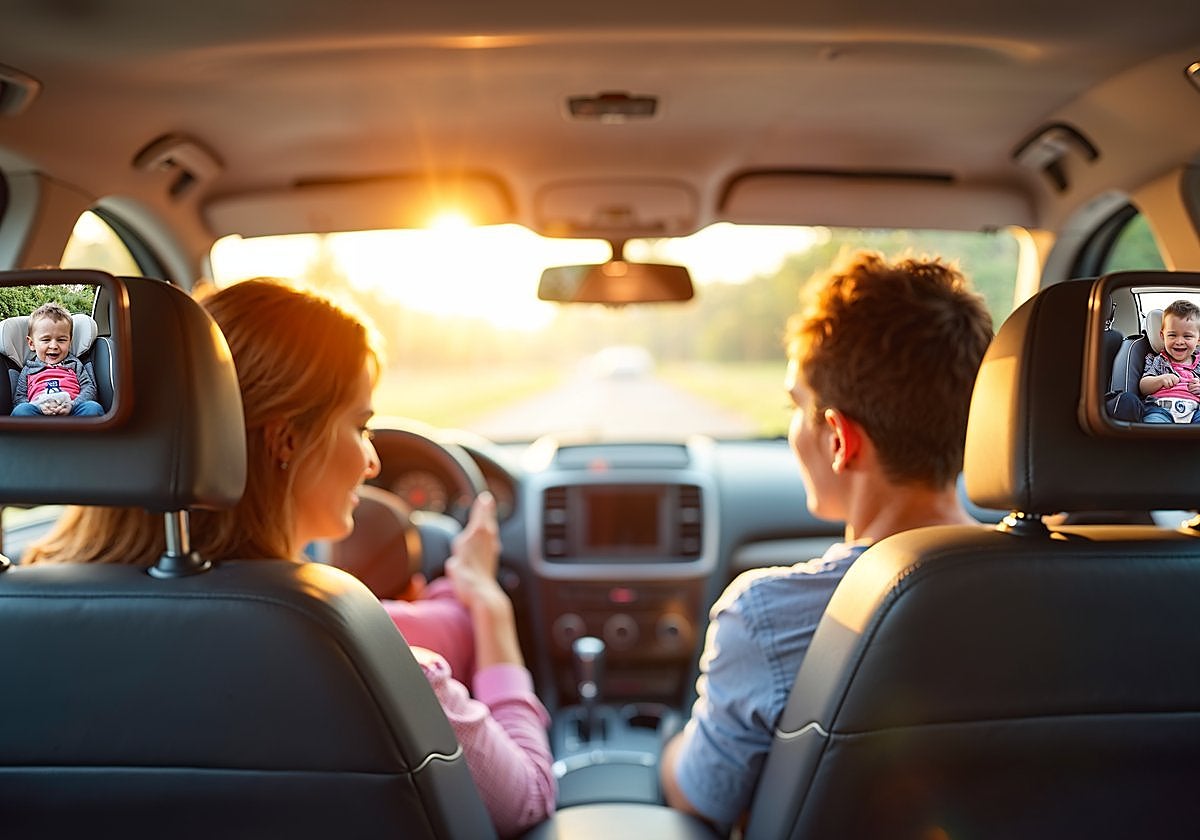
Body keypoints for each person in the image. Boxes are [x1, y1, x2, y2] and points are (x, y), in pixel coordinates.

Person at [22, 278, 555, 838]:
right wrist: (491, 608)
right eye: (360, 425)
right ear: (286, 442)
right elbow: (528, 796)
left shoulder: (27, 626)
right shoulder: (365, 661)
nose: (372, 462)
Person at [659, 250, 994, 832]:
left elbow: (700, 798)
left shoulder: (767, 616)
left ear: (839, 438)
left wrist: (666, 747)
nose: (795, 428)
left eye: (798, 406)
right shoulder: (1081, 592)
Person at [11, 302, 104, 417]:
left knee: (93, 408)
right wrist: (38, 407)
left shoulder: (75, 364)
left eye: (61, 340)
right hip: (39, 414)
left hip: (73, 412)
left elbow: (89, 388)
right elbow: (19, 397)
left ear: (70, 342)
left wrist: (73, 405)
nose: (54, 346)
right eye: (46, 340)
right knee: (21, 410)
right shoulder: (28, 369)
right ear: (31, 343)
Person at [1139, 299, 1200, 423]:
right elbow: (1143, 387)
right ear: (1162, 336)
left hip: (1196, 410)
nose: (1179, 341)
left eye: (1187, 336)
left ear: (1198, 339)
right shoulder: (1159, 360)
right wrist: (1160, 379)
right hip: (1160, 408)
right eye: (1172, 335)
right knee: (1153, 423)